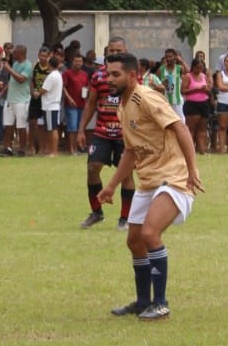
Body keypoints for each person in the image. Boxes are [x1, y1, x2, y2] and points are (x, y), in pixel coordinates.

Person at [99, 53, 203, 320]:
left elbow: (179, 127)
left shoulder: (145, 97)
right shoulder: (122, 106)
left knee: (149, 234)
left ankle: (161, 303)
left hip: (173, 177)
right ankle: (143, 301)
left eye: (115, 74)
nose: (109, 79)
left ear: (132, 76)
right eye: (107, 74)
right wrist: (110, 187)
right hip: (148, 180)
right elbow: (131, 152)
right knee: (134, 241)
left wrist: (192, 170)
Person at [78, 36, 135, 230]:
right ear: (106, 53)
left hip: (125, 134)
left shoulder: (132, 76)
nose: (115, 54)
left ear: (125, 52)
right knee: (93, 168)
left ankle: (125, 218)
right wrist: (81, 129)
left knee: (126, 175)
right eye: (112, 51)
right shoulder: (98, 76)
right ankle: (96, 212)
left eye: (119, 51)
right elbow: (91, 104)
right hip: (102, 131)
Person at [4, 45, 32, 156]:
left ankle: (22, 149)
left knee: (21, 126)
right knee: (8, 125)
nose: (13, 54)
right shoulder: (15, 64)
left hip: (21, 100)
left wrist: (9, 69)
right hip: (11, 99)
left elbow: (21, 79)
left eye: (15, 53)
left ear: (21, 53)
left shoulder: (28, 65)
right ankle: (7, 148)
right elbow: (12, 80)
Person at [181, 56, 211, 154]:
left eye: (201, 68)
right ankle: (190, 150)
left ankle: (202, 149)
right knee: (191, 129)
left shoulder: (203, 76)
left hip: (204, 103)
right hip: (192, 104)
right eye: (197, 67)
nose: (199, 70)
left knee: (202, 128)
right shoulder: (188, 76)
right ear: (193, 67)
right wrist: (196, 89)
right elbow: (183, 90)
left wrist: (206, 90)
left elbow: (208, 89)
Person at [62, 52, 89, 155]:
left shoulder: (85, 74)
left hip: (82, 104)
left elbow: (87, 86)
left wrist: (86, 94)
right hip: (71, 105)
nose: (78, 63)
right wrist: (69, 99)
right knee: (72, 128)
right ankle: (72, 149)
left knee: (79, 127)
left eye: (80, 61)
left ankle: (78, 148)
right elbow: (64, 87)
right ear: (72, 62)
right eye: (76, 61)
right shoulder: (67, 73)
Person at [39, 58, 63, 156]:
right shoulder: (58, 75)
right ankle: (50, 150)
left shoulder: (51, 76)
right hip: (54, 105)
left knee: (52, 129)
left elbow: (43, 90)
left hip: (50, 105)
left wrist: (38, 91)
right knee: (51, 128)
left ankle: (53, 151)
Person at [156, 48, 185, 119]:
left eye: (170, 57)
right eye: (166, 57)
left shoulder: (180, 68)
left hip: (177, 101)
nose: (168, 59)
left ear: (174, 57)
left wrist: (181, 61)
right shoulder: (161, 70)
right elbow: (156, 84)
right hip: (165, 101)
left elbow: (188, 71)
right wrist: (162, 84)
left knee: (181, 122)